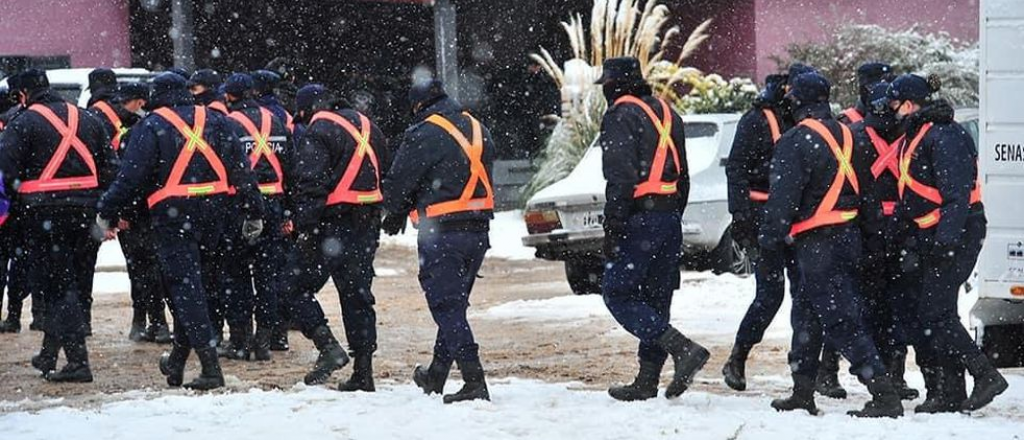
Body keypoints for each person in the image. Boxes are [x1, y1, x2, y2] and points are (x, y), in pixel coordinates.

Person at [96, 72, 265, 390]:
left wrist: (108, 210)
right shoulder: (217, 120)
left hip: (173, 217)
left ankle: (211, 369)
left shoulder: (151, 126)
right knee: (202, 286)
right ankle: (176, 359)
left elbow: (130, 178)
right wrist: (254, 209)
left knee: (185, 290)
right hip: (215, 214)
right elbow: (241, 170)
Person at [761, 71, 902, 418]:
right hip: (848, 238)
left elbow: (782, 202)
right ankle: (802, 392)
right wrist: (872, 243)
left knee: (840, 321)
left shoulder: (795, 141)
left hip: (817, 245)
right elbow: (868, 197)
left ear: (797, 102)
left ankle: (884, 394)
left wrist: (768, 241)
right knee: (807, 316)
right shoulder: (851, 136)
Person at [883, 74, 1008, 412]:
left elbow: (957, 198)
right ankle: (951, 393)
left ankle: (986, 375)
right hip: (935, 235)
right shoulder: (918, 135)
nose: (891, 110)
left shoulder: (945, 135)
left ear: (910, 104)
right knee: (938, 312)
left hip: (958, 233)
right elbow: (912, 195)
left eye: (894, 104)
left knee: (935, 312)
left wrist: (946, 242)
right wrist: (895, 237)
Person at [593, 57, 709, 402]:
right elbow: (683, 176)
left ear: (614, 85)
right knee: (657, 298)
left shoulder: (620, 115)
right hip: (668, 216)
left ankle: (682, 347)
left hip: (639, 219)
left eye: (606, 85)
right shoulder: (668, 113)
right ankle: (647, 380)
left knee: (617, 293)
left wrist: (614, 226)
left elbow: (620, 177)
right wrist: (670, 215)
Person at [0, 69, 118, 382]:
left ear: (22, 95)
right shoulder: (88, 118)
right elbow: (111, 168)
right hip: (86, 214)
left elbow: (6, 173)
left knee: (56, 287)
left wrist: (15, 208)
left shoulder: (22, 123)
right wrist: (105, 209)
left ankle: (78, 363)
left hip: (43, 216)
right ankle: (49, 354)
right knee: (71, 284)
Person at [382, 78, 494, 404]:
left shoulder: (424, 133)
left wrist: (395, 211)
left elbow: (399, 182)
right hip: (478, 231)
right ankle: (436, 374)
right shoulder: (479, 128)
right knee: (454, 306)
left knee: (446, 306)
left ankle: (474, 381)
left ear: (418, 105)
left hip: (443, 234)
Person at [291, 85, 391, 392]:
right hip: (367, 222)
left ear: (307, 110)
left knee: (291, 287)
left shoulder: (319, 130)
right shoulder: (370, 127)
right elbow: (386, 171)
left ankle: (328, 345)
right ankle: (363, 371)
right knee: (357, 295)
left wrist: (306, 228)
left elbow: (311, 183)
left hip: (332, 225)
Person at [721, 71, 797, 392]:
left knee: (809, 296)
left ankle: (812, 369)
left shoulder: (806, 118)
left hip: (800, 219)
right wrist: (740, 216)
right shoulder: (754, 120)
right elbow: (736, 168)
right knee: (770, 295)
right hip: (762, 217)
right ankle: (738, 357)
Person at [848, 81, 918, 401]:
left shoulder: (854, 136)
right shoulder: (911, 136)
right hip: (904, 228)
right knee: (898, 305)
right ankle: (896, 372)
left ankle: (875, 373)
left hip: (868, 228)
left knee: (868, 304)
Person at [93, 80, 173, 343]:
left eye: (125, 101)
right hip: (158, 210)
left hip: (142, 212)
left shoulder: (139, 133)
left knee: (143, 268)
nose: (121, 107)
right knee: (147, 268)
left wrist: (122, 212)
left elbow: (129, 179)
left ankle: (152, 321)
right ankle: (151, 321)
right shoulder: (158, 129)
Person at [221, 73, 292, 361]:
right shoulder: (276, 120)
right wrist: (288, 210)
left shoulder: (228, 123)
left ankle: (240, 339)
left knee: (236, 273)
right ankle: (266, 339)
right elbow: (291, 166)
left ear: (230, 96)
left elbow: (226, 166)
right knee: (268, 275)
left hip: (238, 204)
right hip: (274, 203)